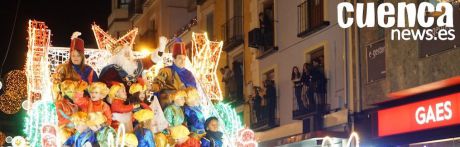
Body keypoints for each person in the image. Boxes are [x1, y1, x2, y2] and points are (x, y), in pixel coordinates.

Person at [99, 36, 168, 89]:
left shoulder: (138, 64)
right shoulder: (110, 70)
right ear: (117, 58)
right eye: (125, 54)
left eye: (129, 54)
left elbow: (153, 59)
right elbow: (103, 87)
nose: (128, 57)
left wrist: (161, 48)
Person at [151, 41, 197, 107]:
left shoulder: (189, 74)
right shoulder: (165, 71)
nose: (182, 61)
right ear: (173, 59)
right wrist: (153, 87)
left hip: (187, 108)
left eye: (184, 59)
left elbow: (194, 91)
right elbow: (157, 84)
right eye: (180, 58)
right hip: (170, 107)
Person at [56, 80, 87, 144]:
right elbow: (59, 119)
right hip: (65, 129)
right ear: (64, 92)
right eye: (69, 91)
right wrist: (71, 120)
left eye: (73, 91)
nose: (72, 93)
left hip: (77, 128)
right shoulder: (59, 103)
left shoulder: (75, 102)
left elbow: (82, 113)